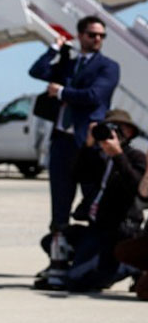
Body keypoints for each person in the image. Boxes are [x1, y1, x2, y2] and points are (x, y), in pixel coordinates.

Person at [29, 16, 119, 241]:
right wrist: (54, 49)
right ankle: (57, 260)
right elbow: (37, 72)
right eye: (92, 34)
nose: (97, 39)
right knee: (59, 206)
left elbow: (94, 96)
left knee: (91, 205)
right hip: (62, 142)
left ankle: (88, 262)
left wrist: (60, 92)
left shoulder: (108, 67)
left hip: (89, 145)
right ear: (80, 36)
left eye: (101, 35)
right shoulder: (68, 64)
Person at [34, 110, 144, 293]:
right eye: (108, 128)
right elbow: (77, 174)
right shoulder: (100, 158)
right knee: (53, 242)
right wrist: (88, 145)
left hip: (120, 231)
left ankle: (129, 267)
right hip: (96, 228)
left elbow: (136, 188)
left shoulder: (135, 157)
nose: (112, 134)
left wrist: (118, 155)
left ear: (129, 133)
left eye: (118, 129)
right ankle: (92, 266)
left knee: (76, 281)